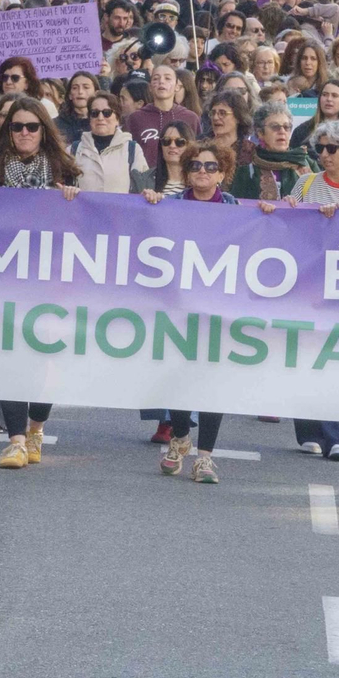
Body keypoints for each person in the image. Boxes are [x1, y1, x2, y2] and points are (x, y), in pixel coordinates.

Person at [142, 140, 276, 484]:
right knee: (180, 376)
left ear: (223, 173)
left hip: (220, 306)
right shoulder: (171, 204)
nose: (203, 171)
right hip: (178, 307)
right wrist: (151, 204)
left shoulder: (236, 208)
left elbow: (263, 239)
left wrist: (274, 213)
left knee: (213, 380)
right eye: (196, 166)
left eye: (211, 166)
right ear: (186, 171)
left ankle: (204, 458)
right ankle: (181, 436)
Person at [0, 96, 81, 469]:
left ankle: (36, 428)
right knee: (11, 361)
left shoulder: (64, 169)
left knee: (44, 363)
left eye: (31, 126)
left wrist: (73, 199)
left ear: (43, 130)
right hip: (6, 282)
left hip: (52, 283)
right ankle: (16, 441)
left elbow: (89, 221)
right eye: (16, 126)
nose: (23, 133)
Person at [286, 118, 339, 461]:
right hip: (306, 282)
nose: (324, 154)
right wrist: (286, 210)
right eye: (319, 148)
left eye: (331, 148)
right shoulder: (305, 185)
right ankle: (309, 431)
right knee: (304, 353)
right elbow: (285, 224)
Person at [70, 92, 151, 193]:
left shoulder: (133, 150)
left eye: (107, 113)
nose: (100, 118)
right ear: (89, 118)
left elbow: (144, 189)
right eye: (94, 113)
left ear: (117, 118)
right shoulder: (73, 150)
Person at [124, 63, 200, 168]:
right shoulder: (135, 118)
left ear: (177, 86)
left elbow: (197, 154)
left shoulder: (191, 118)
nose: (161, 82)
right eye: (156, 78)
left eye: (168, 78)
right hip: (145, 180)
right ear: (150, 87)